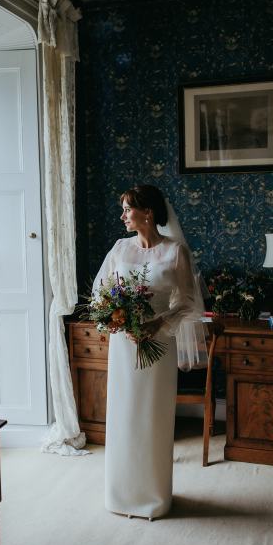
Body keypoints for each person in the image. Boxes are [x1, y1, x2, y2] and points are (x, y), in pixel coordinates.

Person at [93, 185, 206, 521]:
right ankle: (120, 494)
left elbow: (186, 301)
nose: (123, 216)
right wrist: (116, 319)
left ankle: (153, 496)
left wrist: (158, 324)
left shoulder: (174, 253)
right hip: (124, 344)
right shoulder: (119, 248)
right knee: (123, 414)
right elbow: (103, 294)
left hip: (159, 344)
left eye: (128, 209)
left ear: (148, 213)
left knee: (150, 415)